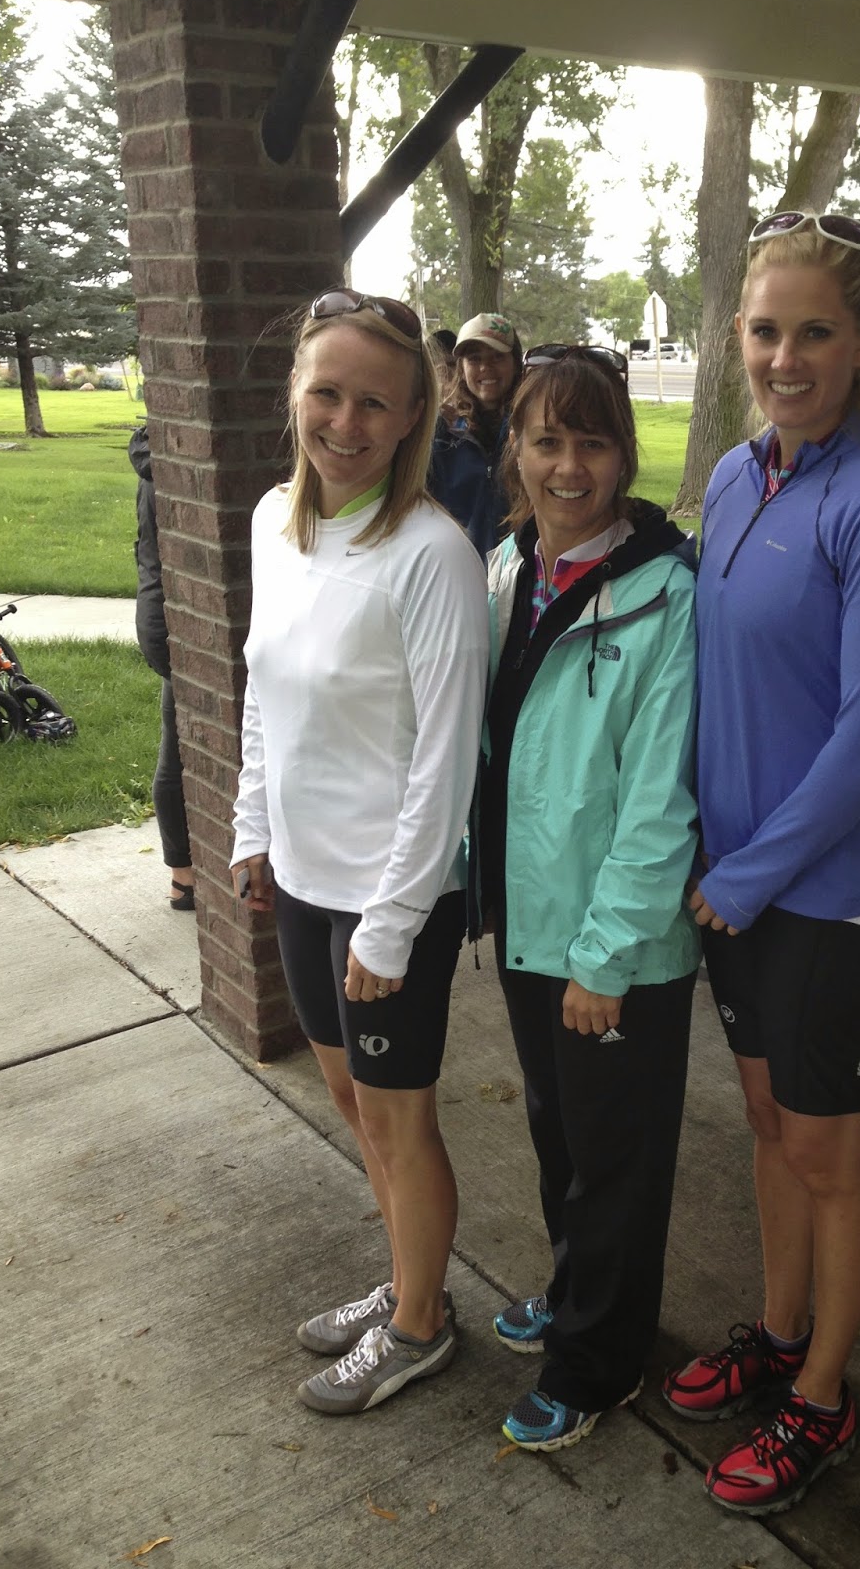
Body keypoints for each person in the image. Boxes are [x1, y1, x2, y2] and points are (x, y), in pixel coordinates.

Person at [661, 211, 860, 1513]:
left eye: (816, 333)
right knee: (772, 1124)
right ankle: (780, 1335)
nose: (786, 358)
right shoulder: (738, 475)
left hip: (846, 888)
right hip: (741, 878)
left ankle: (823, 1399)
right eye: (766, 331)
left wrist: (744, 875)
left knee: (830, 1152)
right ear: (738, 333)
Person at [230, 287, 489, 1416]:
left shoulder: (432, 554)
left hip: (393, 897)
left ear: (413, 415)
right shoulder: (272, 522)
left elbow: (446, 759)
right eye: (328, 393)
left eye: (375, 402)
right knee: (348, 1095)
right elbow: (263, 688)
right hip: (301, 879)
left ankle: (422, 1326)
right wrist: (251, 828)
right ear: (296, 392)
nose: (346, 422)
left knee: (398, 1117)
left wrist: (391, 925)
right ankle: (406, 1279)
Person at [478, 344, 701, 1452]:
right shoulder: (504, 570)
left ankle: (599, 1362)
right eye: (547, 441)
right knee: (558, 1130)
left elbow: (661, 802)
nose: (570, 467)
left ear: (625, 455)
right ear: (515, 451)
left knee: (616, 1159)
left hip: (617, 946)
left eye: (594, 443)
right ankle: (577, 1293)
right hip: (528, 919)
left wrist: (605, 956)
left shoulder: (667, 597)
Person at [130, 424, 194, 911]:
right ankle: (184, 875)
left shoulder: (155, 451)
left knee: (178, 745)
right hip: (171, 619)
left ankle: (183, 875)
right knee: (178, 752)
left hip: (162, 613)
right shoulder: (173, 463)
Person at [428, 312, 522, 560]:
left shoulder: (532, 427)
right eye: (474, 358)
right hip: (456, 567)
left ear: (515, 363)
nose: (485, 368)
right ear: (461, 367)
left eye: (497, 357)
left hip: (522, 567)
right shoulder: (442, 432)